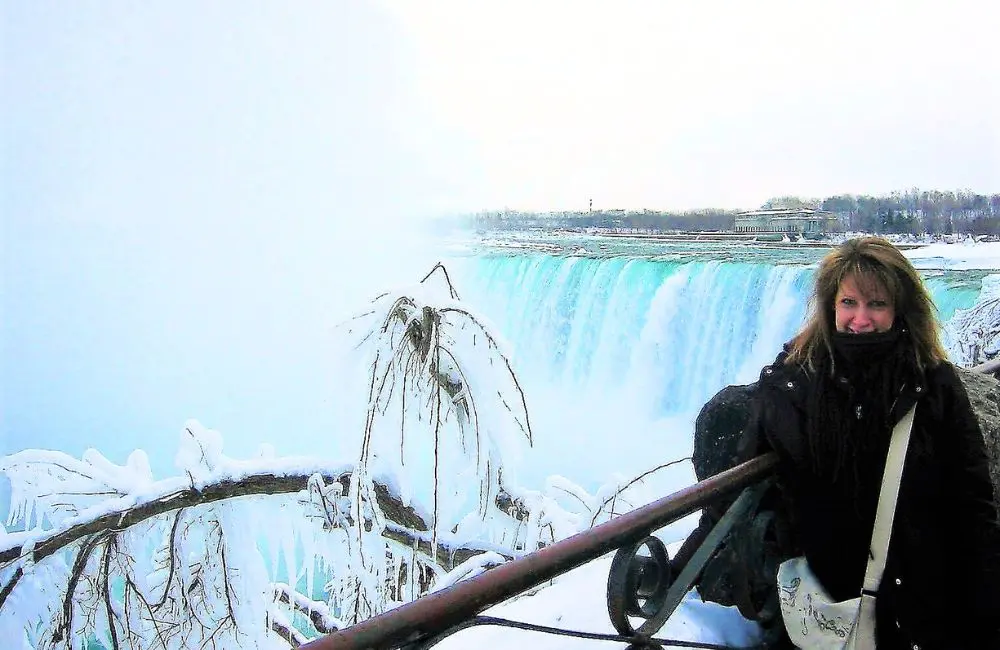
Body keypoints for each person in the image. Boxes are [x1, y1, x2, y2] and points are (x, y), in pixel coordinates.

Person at [730, 236, 1000, 648]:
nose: (861, 319)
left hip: (917, 609)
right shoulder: (792, 385)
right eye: (849, 303)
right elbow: (750, 492)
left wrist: (984, 608)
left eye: (877, 304)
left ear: (900, 311)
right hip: (825, 606)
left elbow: (972, 498)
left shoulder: (932, 386)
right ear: (829, 307)